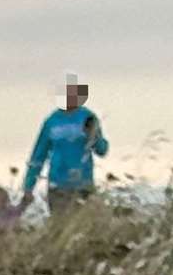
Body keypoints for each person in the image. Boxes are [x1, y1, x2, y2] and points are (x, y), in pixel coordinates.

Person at [20, 71, 108, 217]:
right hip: (58, 185)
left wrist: (94, 135)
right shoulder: (51, 121)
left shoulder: (88, 117)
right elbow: (38, 155)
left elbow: (102, 150)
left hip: (83, 184)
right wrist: (29, 186)